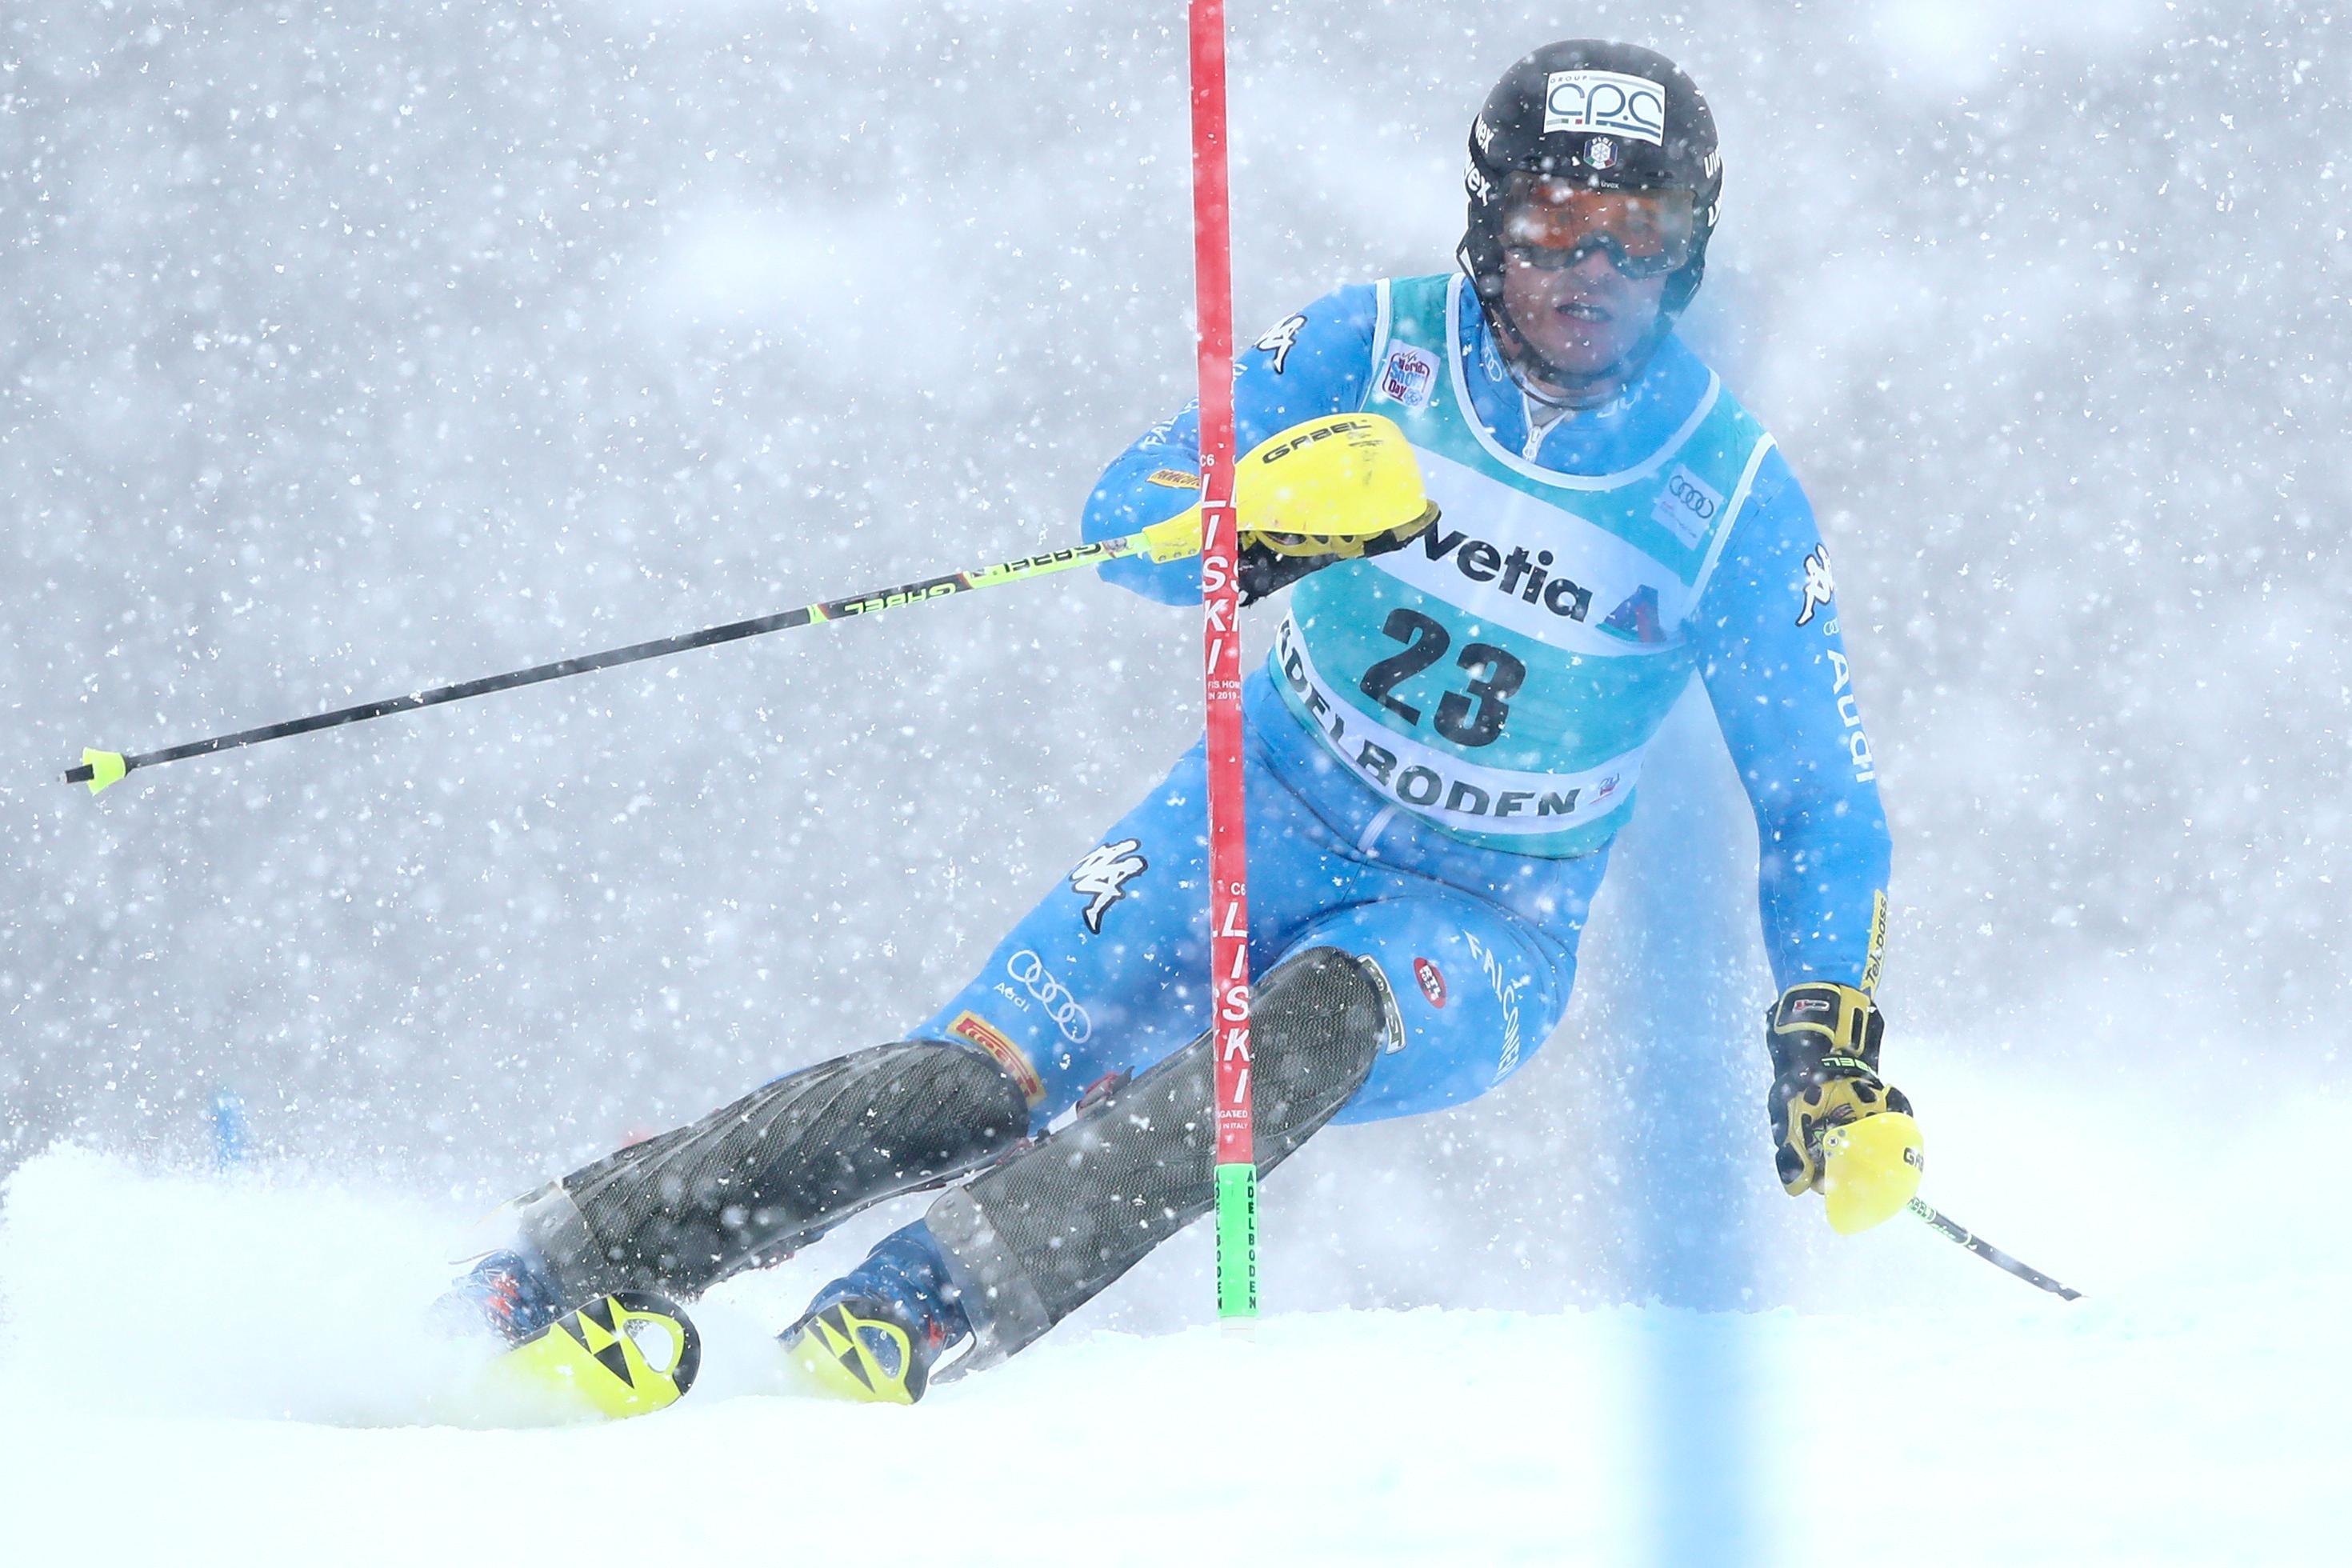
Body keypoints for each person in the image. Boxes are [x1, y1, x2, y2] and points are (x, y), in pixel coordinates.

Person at [446, 39, 1912, 1405]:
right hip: (1257, 806)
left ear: (1691, 253)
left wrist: (1826, 1037)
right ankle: (560, 1268)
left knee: (1308, 1025)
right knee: (975, 1085)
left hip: (1484, 917)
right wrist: (1242, 526)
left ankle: (914, 1309)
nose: (1590, 272)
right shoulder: (1376, 350)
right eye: (1551, 226)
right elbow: (1122, 516)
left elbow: (1819, 800)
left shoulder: (1728, 494)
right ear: (1487, 225)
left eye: (1636, 238)